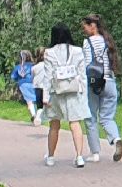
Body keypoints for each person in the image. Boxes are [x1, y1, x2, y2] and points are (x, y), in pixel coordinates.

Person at [36, 23, 93, 168]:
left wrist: (44, 97)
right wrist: (83, 93)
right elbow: (82, 75)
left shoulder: (49, 53)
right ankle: (79, 156)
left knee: (54, 125)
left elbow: (47, 77)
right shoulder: (78, 51)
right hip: (74, 92)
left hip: (56, 92)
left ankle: (50, 156)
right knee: (75, 123)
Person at [82, 14, 122, 161]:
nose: (84, 30)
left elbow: (87, 64)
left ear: (92, 25)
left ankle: (95, 153)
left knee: (91, 117)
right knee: (107, 117)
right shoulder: (108, 41)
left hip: (94, 83)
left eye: (85, 27)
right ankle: (116, 138)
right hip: (110, 82)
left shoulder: (88, 42)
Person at [11, 50, 39, 122]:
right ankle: (37, 116)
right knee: (35, 99)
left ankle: (33, 115)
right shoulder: (34, 65)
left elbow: (13, 77)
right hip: (34, 83)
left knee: (29, 101)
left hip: (23, 85)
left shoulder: (18, 67)